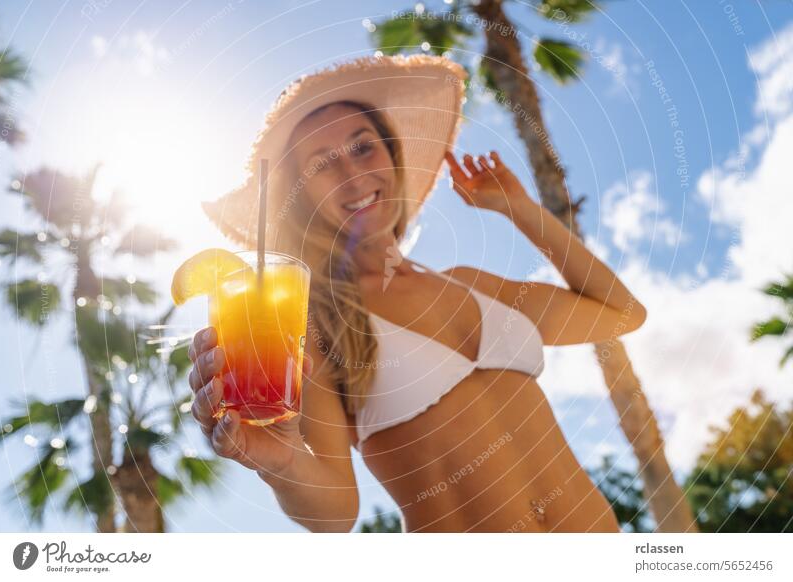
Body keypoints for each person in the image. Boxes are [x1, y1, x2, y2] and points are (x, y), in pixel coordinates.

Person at [187, 55, 647, 532]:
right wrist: (280, 466)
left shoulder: (470, 284)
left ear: (391, 155)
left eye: (362, 147)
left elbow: (621, 313)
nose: (352, 173)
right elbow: (336, 512)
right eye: (323, 164)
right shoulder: (317, 321)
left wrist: (520, 210)